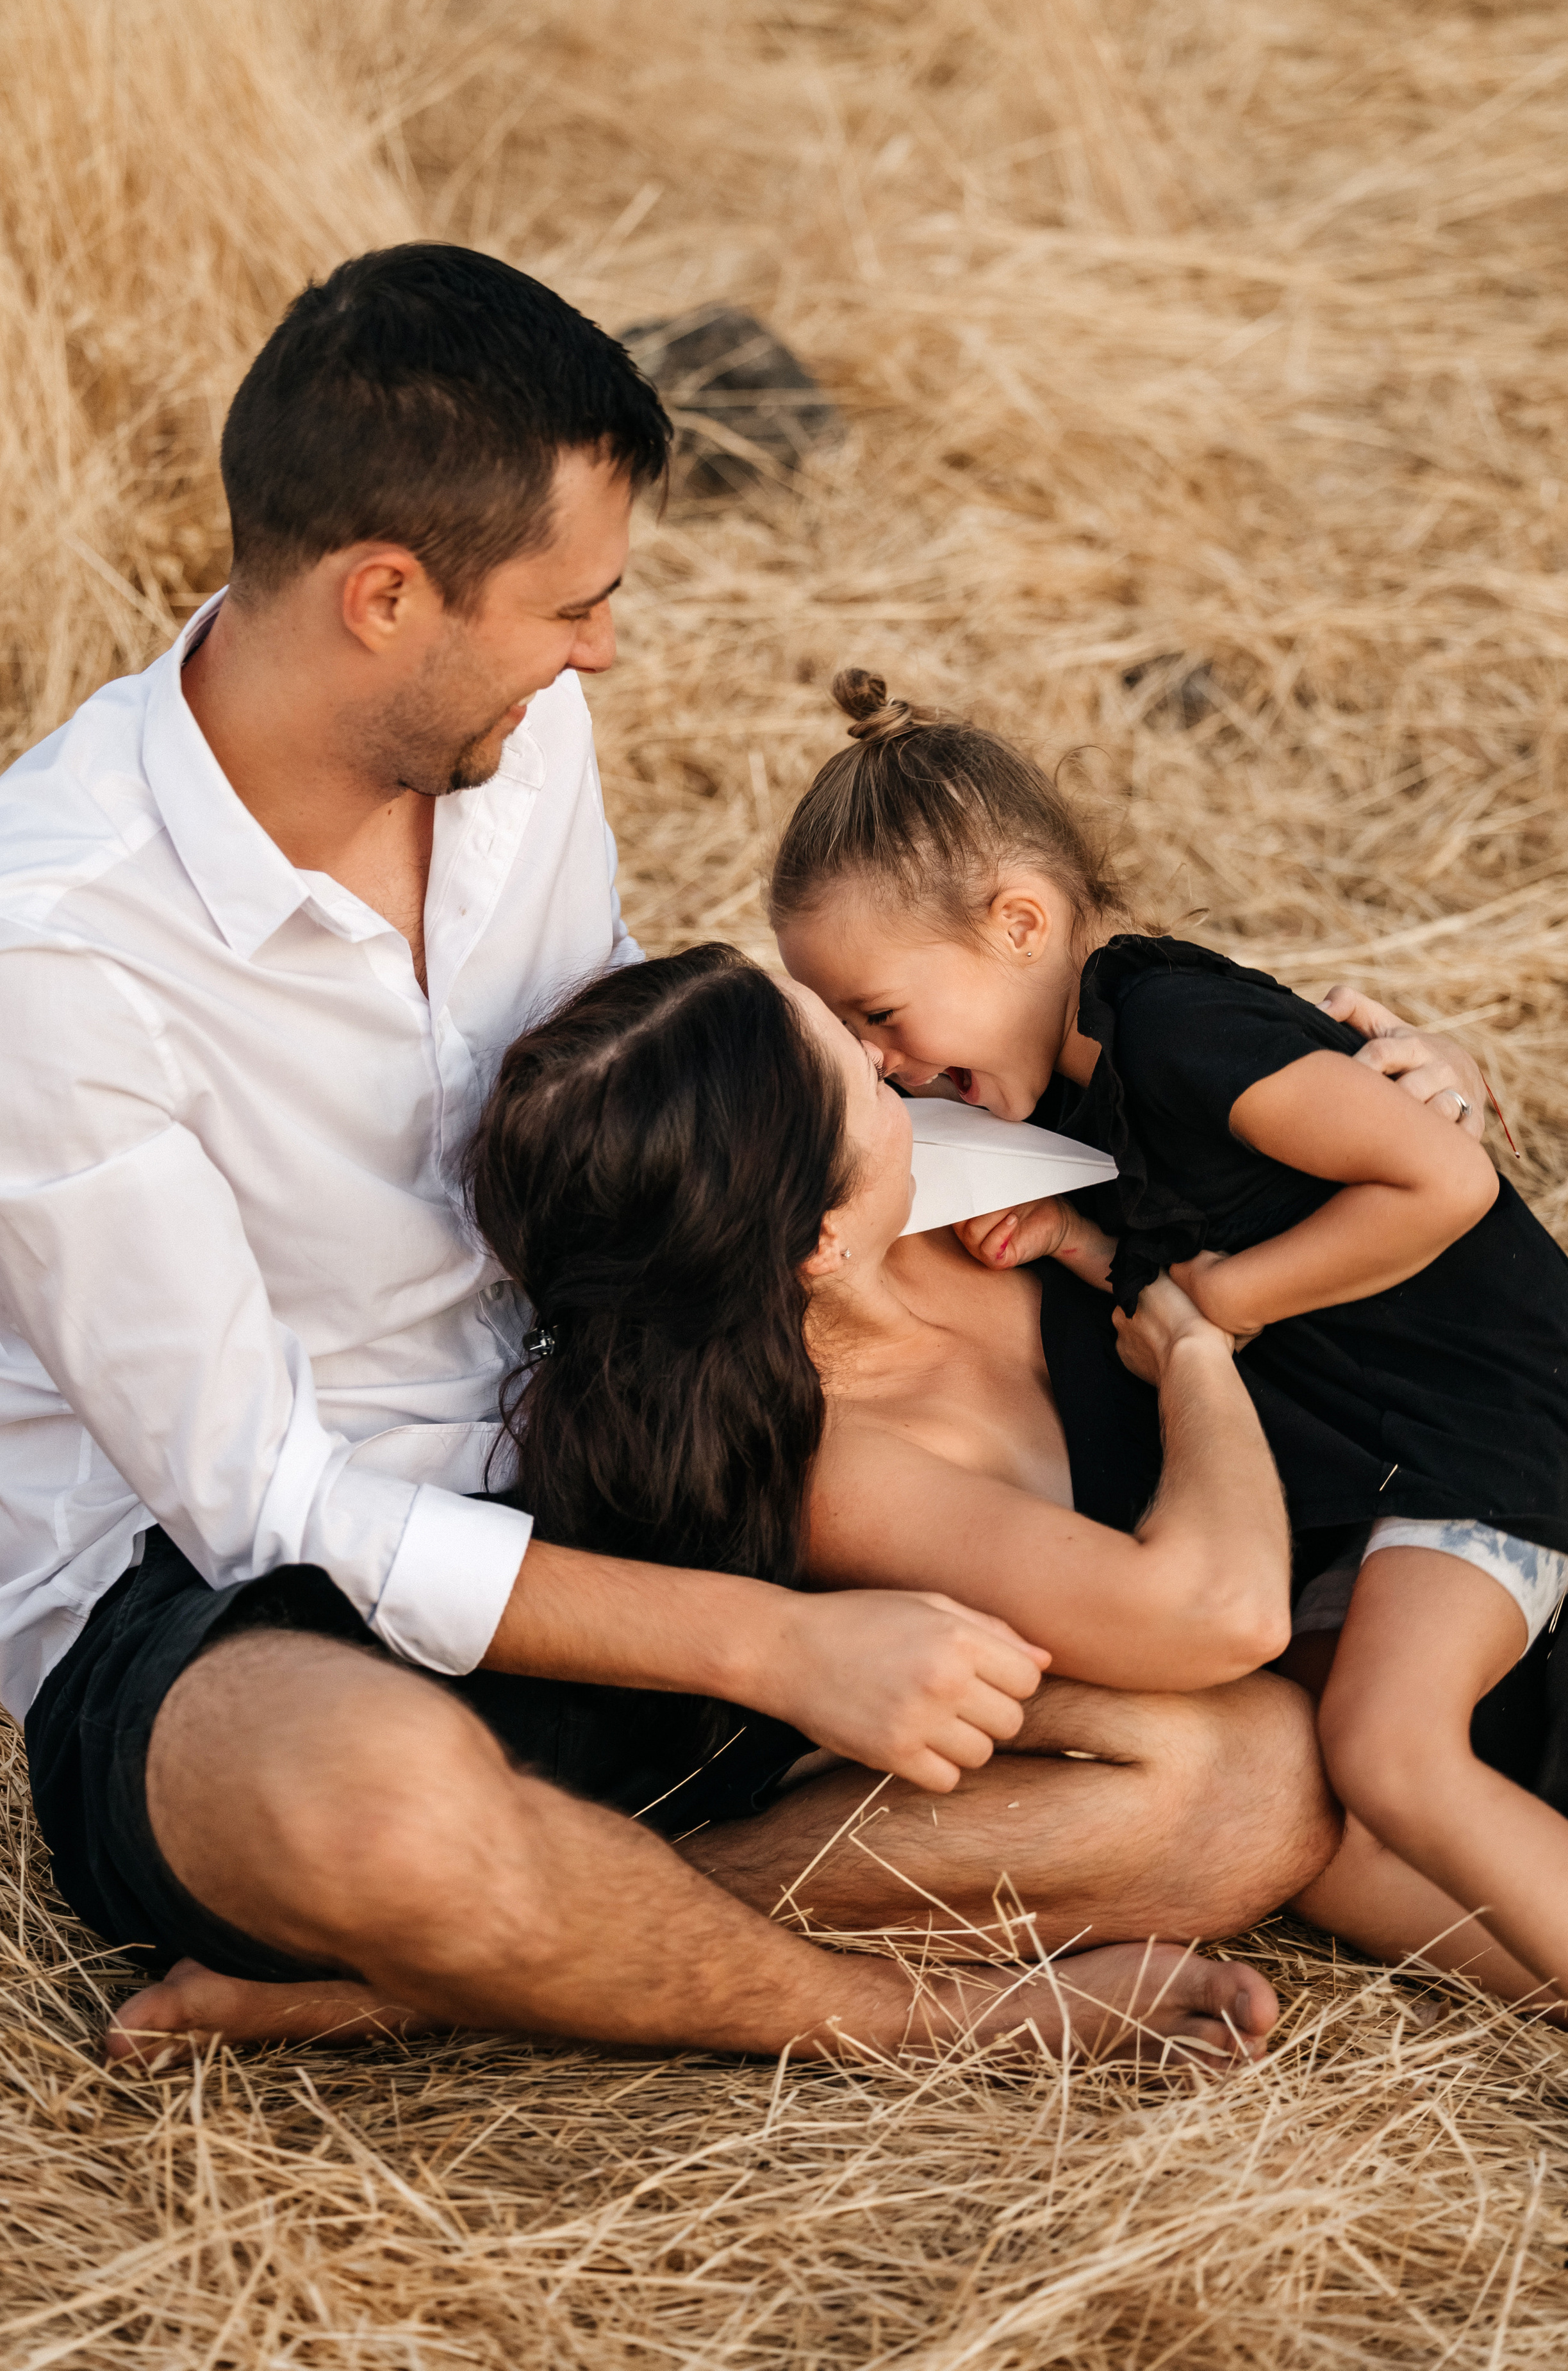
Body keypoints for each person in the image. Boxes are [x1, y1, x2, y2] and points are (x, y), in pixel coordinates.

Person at [0, 244, 1338, 2070]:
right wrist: (766, 1650)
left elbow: (653, 1092)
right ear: (385, 595)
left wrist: (1320, 1085)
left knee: (1241, 1783)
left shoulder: (521, 737)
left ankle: (446, 1961)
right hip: (235, 1607)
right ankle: (908, 2019)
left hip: (619, 1447)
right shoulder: (56, 953)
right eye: (569, 606)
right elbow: (261, 1500)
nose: (600, 652)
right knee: (371, 1808)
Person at [772, 665, 1568, 2188]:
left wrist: (1226, 1297)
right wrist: (1081, 1252)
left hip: (1485, 1430)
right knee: (1346, 1828)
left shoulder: (1164, 1033)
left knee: (1387, 1749)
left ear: (1018, 923)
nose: (884, 1065)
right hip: (1375, 1461)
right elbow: (1173, 1286)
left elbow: (1432, 1185)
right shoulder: (1067, 1088)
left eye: (880, 1016)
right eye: (848, 1038)